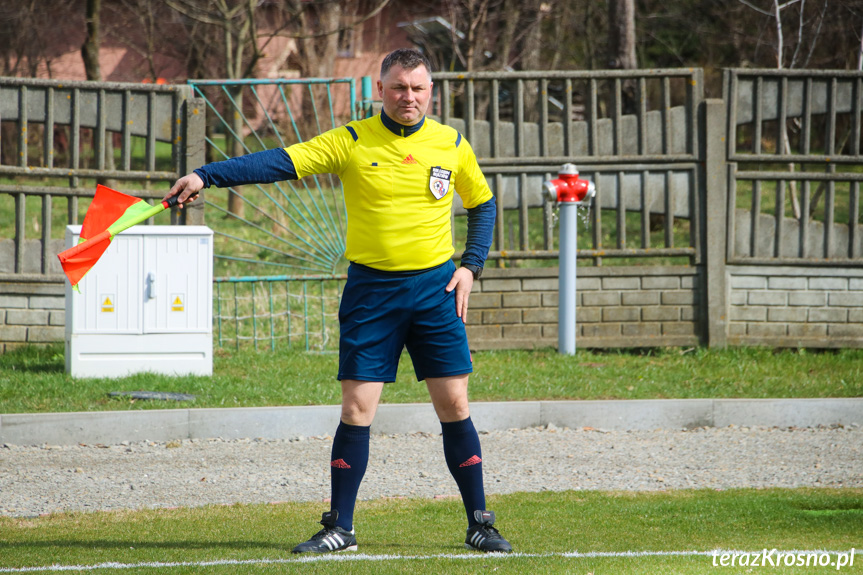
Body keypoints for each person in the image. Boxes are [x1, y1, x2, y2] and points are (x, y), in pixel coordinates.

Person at [165, 48, 511, 554]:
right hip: (372, 292)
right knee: (356, 408)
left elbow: (483, 203)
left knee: (454, 404)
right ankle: (341, 528)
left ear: (430, 92)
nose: (408, 97)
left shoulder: (452, 145)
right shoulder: (350, 140)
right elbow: (281, 162)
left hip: (435, 292)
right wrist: (206, 175)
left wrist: (470, 266)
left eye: (417, 88)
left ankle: (480, 522)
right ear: (381, 89)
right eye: (398, 87)